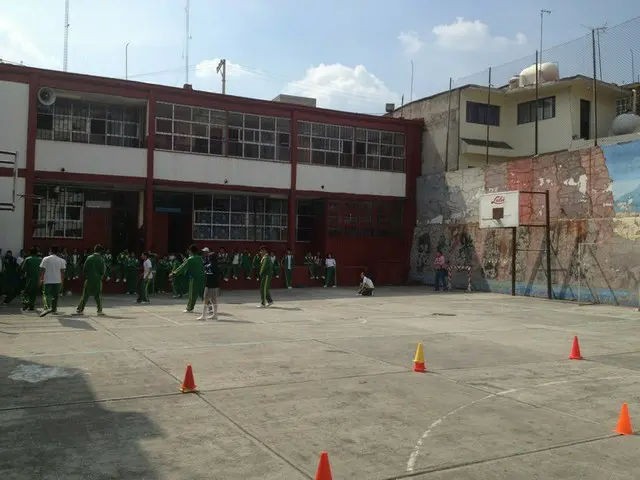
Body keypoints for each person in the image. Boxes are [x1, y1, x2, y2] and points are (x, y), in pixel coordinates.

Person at [170, 244, 205, 313]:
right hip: (202, 278)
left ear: (190, 251)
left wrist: (174, 273)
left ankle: (190, 308)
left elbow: (183, 267)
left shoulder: (190, 259)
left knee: (192, 294)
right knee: (203, 293)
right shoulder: (200, 258)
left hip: (194, 278)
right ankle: (210, 307)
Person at [76, 244, 106, 315]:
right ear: (101, 251)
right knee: (98, 295)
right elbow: (103, 271)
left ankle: (80, 309)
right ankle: (99, 310)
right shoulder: (101, 259)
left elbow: (85, 269)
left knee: (85, 295)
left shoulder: (89, 258)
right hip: (98, 280)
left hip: (89, 279)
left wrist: (87, 276)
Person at [39, 245, 67, 317]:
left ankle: (47, 308)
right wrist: (62, 283)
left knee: (46, 294)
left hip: (47, 280)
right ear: (57, 252)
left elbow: (43, 271)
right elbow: (62, 273)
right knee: (55, 296)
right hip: (57, 281)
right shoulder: (62, 260)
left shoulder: (45, 259)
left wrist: (40, 279)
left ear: (50, 251)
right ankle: (54, 309)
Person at [199, 250, 220, 320]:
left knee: (206, 299)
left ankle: (203, 315)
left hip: (210, 285)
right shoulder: (213, 265)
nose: (207, 258)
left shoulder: (212, 266)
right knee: (213, 300)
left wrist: (207, 272)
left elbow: (214, 275)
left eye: (208, 257)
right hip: (213, 285)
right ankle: (215, 315)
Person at [20, 247, 41, 312]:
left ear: (30, 252)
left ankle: (26, 304)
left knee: (25, 292)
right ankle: (31, 306)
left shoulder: (28, 259)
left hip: (29, 279)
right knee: (34, 293)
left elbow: (23, 269)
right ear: (37, 252)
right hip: (38, 279)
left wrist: (22, 275)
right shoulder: (40, 259)